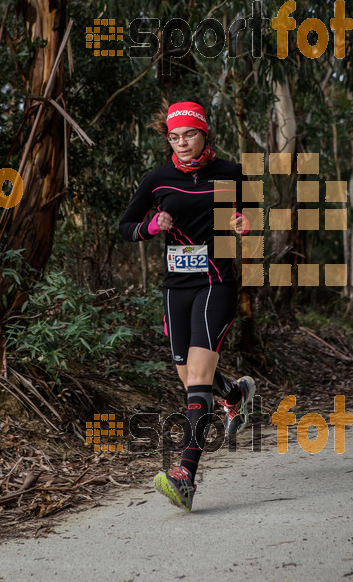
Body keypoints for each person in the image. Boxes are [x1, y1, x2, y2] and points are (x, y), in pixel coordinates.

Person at [119, 99, 256, 512]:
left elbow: (249, 216)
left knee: (197, 374)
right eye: (174, 137)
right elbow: (125, 225)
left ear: (204, 134)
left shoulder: (230, 173)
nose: (181, 144)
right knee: (189, 377)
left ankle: (185, 475)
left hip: (217, 283)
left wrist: (243, 223)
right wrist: (150, 226)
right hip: (176, 288)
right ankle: (233, 392)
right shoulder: (157, 179)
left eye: (189, 135)